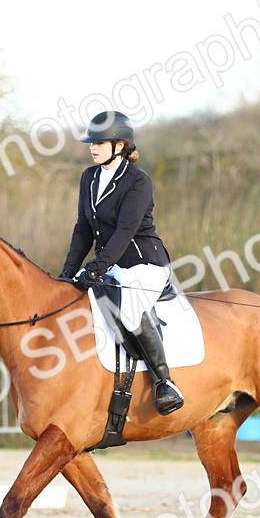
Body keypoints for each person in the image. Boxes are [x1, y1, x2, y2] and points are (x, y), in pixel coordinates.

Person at [59, 110, 185, 415]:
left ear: (120, 145)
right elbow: (83, 229)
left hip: (144, 264)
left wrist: (96, 268)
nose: (92, 147)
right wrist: (67, 274)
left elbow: (125, 232)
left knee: (129, 312)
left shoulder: (138, 181)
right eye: (91, 142)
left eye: (99, 143)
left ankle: (165, 382)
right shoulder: (89, 177)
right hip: (110, 263)